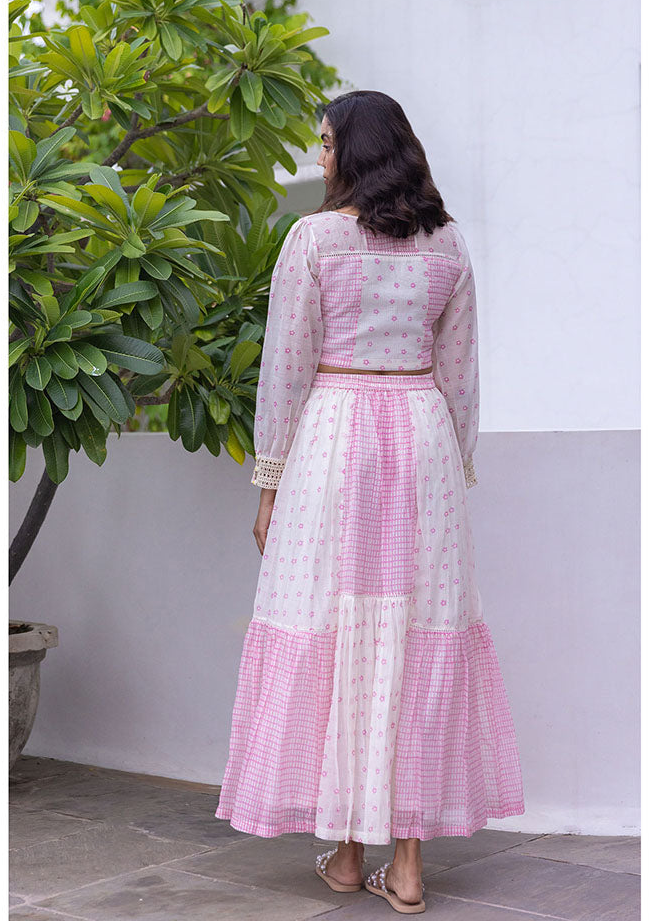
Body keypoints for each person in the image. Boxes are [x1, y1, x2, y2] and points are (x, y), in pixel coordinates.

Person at [215, 90, 524, 914]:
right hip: (421, 437)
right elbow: (461, 374)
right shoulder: (448, 244)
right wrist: (453, 469)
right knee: (416, 637)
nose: (319, 158)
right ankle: (406, 866)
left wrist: (268, 485)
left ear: (353, 151)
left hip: (334, 441)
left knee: (341, 632)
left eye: (325, 144)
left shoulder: (313, 240)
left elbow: (285, 369)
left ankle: (349, 854)